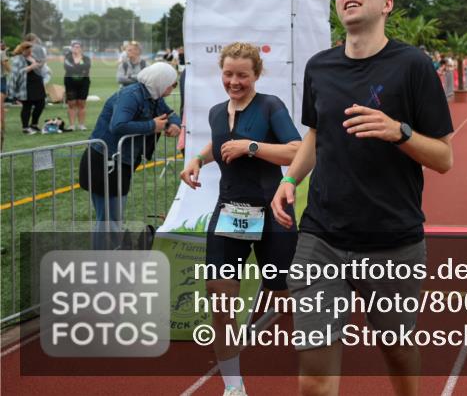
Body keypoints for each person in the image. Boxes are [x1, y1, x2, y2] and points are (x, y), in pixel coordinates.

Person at [272, 0, 454, 396]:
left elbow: (444, 157)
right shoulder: (320, 67)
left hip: (393, 241)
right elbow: (316, 135)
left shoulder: (413, 66)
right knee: (314, 377)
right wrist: (289, 180)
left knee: (396, 350)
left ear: (387, 3)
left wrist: (399, 132)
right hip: (321, 239)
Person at [179, 42, 302, 396]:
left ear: (256, 75)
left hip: (271, 211)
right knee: (220, 299)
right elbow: (221, 144)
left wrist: (252, 146)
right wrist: (198, 160)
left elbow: (295, 150)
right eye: (228, 74)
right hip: (229, 212)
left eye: (242, 75)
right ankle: (234, 386)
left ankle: (312, 357)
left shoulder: (269, 107)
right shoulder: (218, 111)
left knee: (283, 299)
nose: (234, 82)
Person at [79, 63, 181, 236]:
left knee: (114, 219)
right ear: (160, 82)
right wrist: (152, 125)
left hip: (120, 161)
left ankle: (110, 256)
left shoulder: (152, 96)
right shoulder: (131, 95)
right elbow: (118, 125)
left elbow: (171, 114)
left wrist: (175, 125)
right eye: (172, 83)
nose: (173, 88)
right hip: (105, 160)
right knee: (108, 221)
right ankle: (104, 259)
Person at [9, 42, 46, 134]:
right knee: (27, 106)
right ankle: (25, 127)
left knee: (41, 104)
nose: (30, 51)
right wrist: (30, 67)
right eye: (28, 49)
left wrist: (40, 64)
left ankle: (34, 124)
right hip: (26, 86)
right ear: (23, 50)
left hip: (37, 84)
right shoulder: (18, 59)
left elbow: (38, 67)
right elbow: (16, 73)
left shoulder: (33, 56)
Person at [64, 40, 92, 131]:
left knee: (81, 103)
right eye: (74, 47)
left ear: (81, 49)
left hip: (83, 82)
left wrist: (77, 66)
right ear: (71, 48)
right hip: (70, 82)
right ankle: (72, 125)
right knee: (71, 103)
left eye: (78, 47)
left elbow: (86, 66)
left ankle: (81, 124)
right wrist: (79, 67)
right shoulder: (68, 58)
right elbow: (68, 68)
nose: (76, 48)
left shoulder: (86, 58)